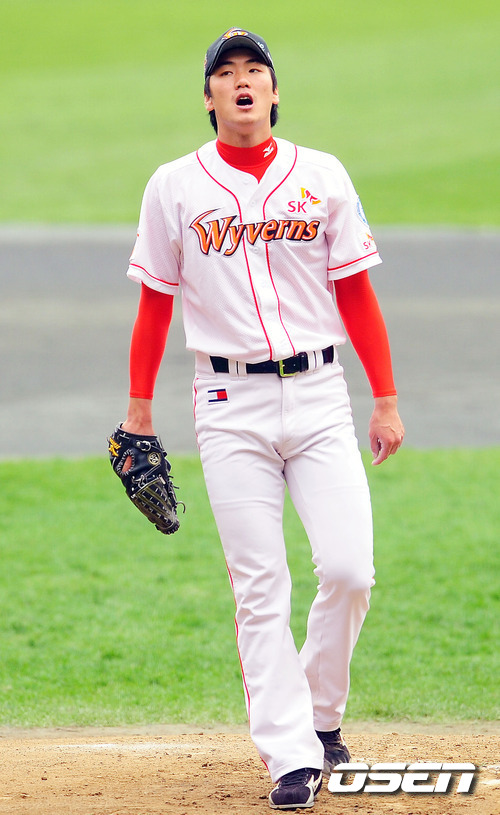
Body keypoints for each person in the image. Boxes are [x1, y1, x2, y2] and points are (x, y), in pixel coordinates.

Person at [119, 27, 404, 810]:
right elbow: (154, 305)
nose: (242, 80)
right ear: (210, 97)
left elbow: (356, 292)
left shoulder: (322, 175)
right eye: (227, 72)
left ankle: (320, 714)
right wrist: (139, 410)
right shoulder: (174, 186)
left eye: (255, 70)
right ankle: (290, 753)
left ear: (274, 93)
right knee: (260, 585)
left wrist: (384, 397)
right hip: (227, 404)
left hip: (321, 395)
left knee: (349, 570)